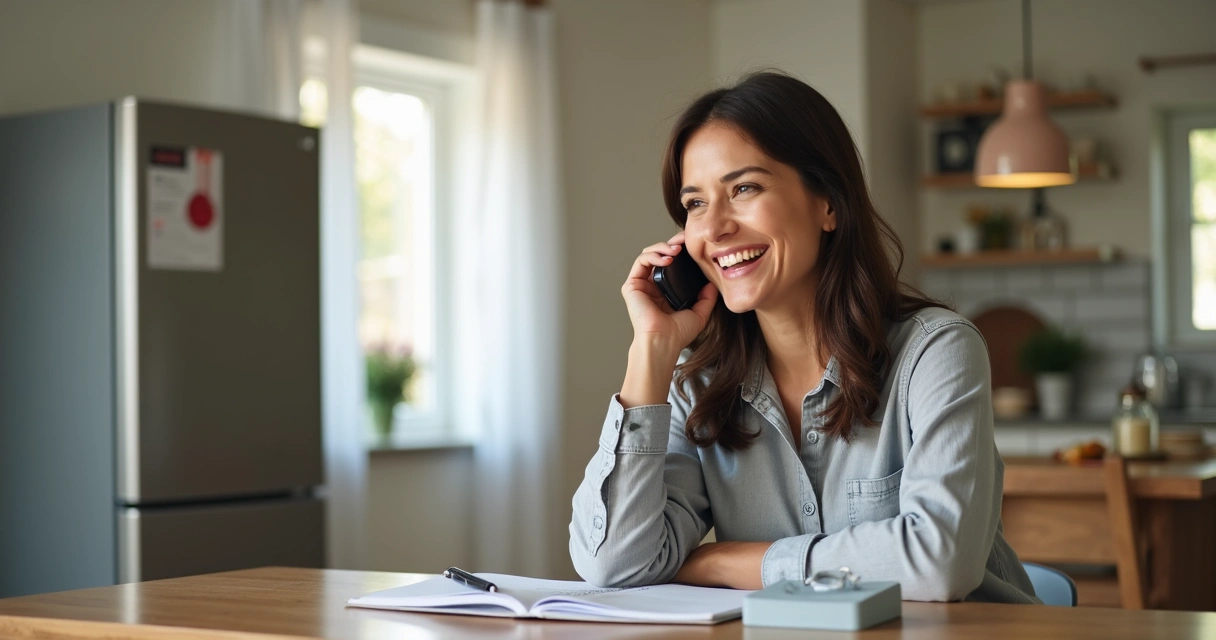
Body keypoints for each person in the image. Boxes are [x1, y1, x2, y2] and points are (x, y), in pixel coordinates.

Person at [568, 71, 1038, 603]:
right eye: (695, 203)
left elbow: (938, 561)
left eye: (744, 188)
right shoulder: (698, 389)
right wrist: (649, 352)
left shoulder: (937, 352)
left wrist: (727, 560)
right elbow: (612, 564)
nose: (715, 227)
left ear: (828, 204)